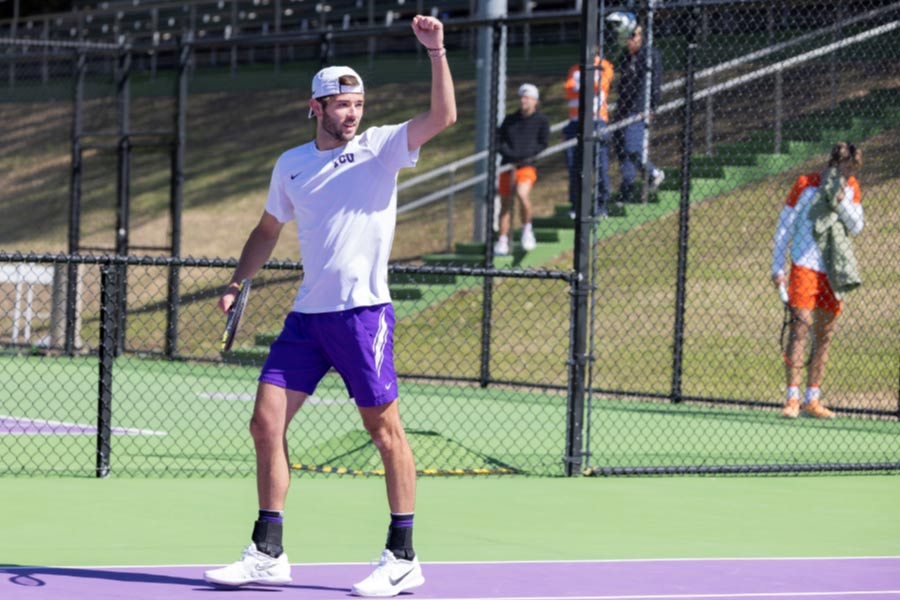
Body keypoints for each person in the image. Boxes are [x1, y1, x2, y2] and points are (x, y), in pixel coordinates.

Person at [203, 15, 456, 597]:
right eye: (342, 104)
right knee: (265, 423)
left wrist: (437, 51)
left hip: (363, 314)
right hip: (307, 319)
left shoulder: (381, 148)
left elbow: (443, 117)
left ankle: (403, 555)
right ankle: (268, 551)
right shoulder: (291, 164)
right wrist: (238, 282)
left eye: (358, 103)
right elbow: (267, 230)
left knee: (384, 430)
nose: (353, 113)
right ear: (315, 108)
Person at [771, 142, 864, 420]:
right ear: (833, 164)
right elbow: (784, 226)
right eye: (846, 169)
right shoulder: (805, 184)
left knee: (824, 334)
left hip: (833, 270)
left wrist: (841, 201)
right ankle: (792, 398)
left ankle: (813, 398)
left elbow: (857, 226)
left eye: (853, 170)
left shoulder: (851, 189)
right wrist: (778, 266)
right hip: (804, 266)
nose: (850, 175)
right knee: (800, 329)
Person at [607, 11, 665, 205]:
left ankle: (653, 172)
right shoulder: (626, 57)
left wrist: (651, 107)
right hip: (624, 109)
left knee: (633, 146)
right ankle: (626, 191)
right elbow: (623, 85)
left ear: (638, 37)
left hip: (639, 109)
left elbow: (654, 84)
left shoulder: (649, 55)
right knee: (623, 150)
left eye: (631, 38)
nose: (628, 43)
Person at [493, 83, 550, 256]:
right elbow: (498, 140)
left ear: (535, 101)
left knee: (522, 193)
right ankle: (502, 240)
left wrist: (525, 155)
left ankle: (527, 230)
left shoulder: (541, 121)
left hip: (526, 166)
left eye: (528, 97)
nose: (524, 100)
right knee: (505, 203)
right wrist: (509, 154)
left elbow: (543, 143)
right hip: (507, 166)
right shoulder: (510, 120)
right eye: (522, 97)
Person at [563, 48, 614, 218]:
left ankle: (601, 205)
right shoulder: (575, 69)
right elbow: (568, 90)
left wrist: (583, 86)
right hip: (575, 122)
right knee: (574, 166)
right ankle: (576, 205)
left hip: (596, 121)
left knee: (600, 165)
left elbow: (600, 86)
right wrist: (586, 85)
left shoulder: (604, 66)